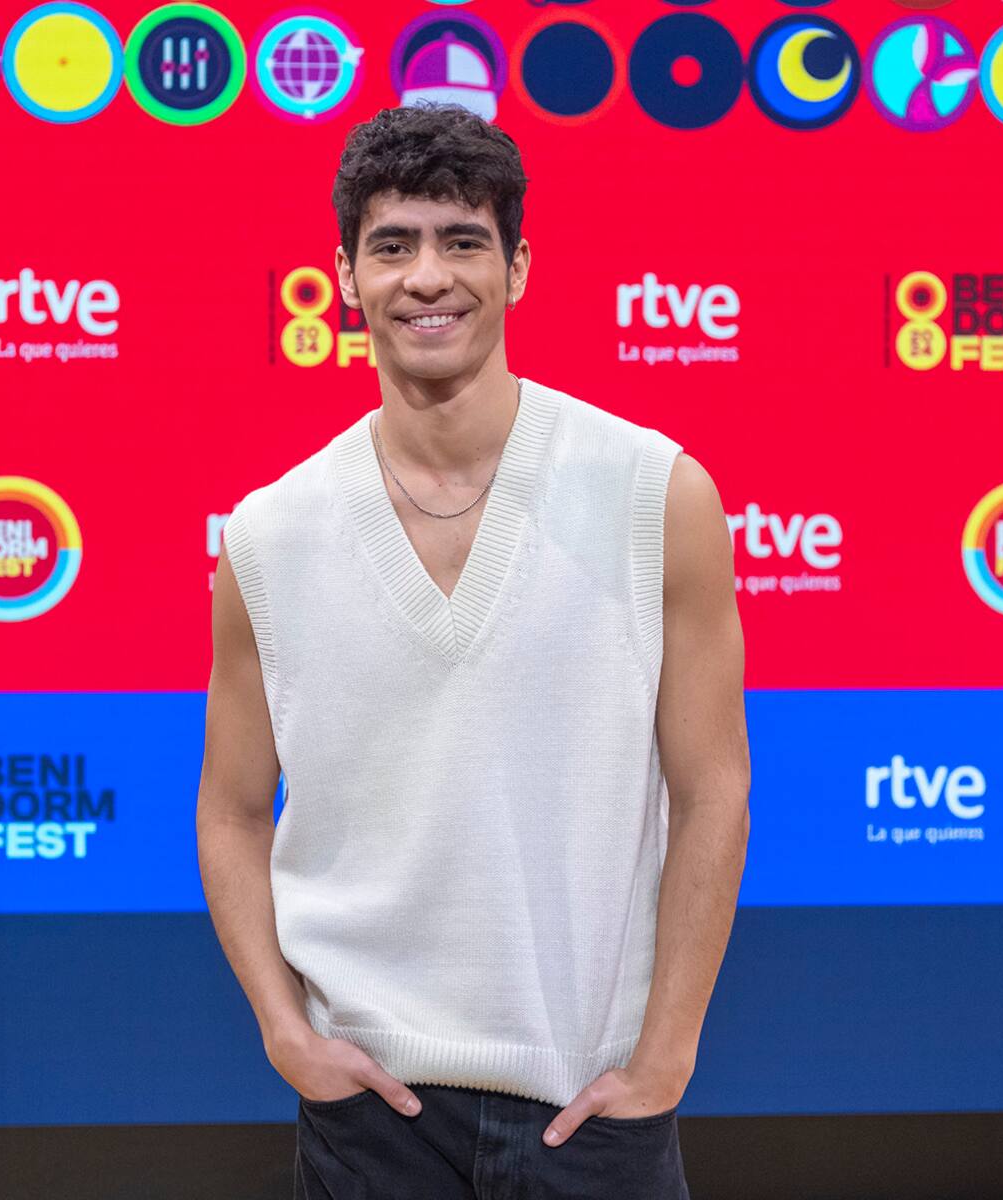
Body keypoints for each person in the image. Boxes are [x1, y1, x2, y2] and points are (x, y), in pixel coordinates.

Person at [197, 102, 751, 1199]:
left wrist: (667, 1055)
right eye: (392, 246)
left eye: (462, 241)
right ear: (345, 276)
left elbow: (713, 789)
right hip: (369, 1120)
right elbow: (232, 811)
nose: (427, 278)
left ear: (518, 267)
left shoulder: (655, 493)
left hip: (594, 1109)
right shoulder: (270, 533)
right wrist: (286, 1033)